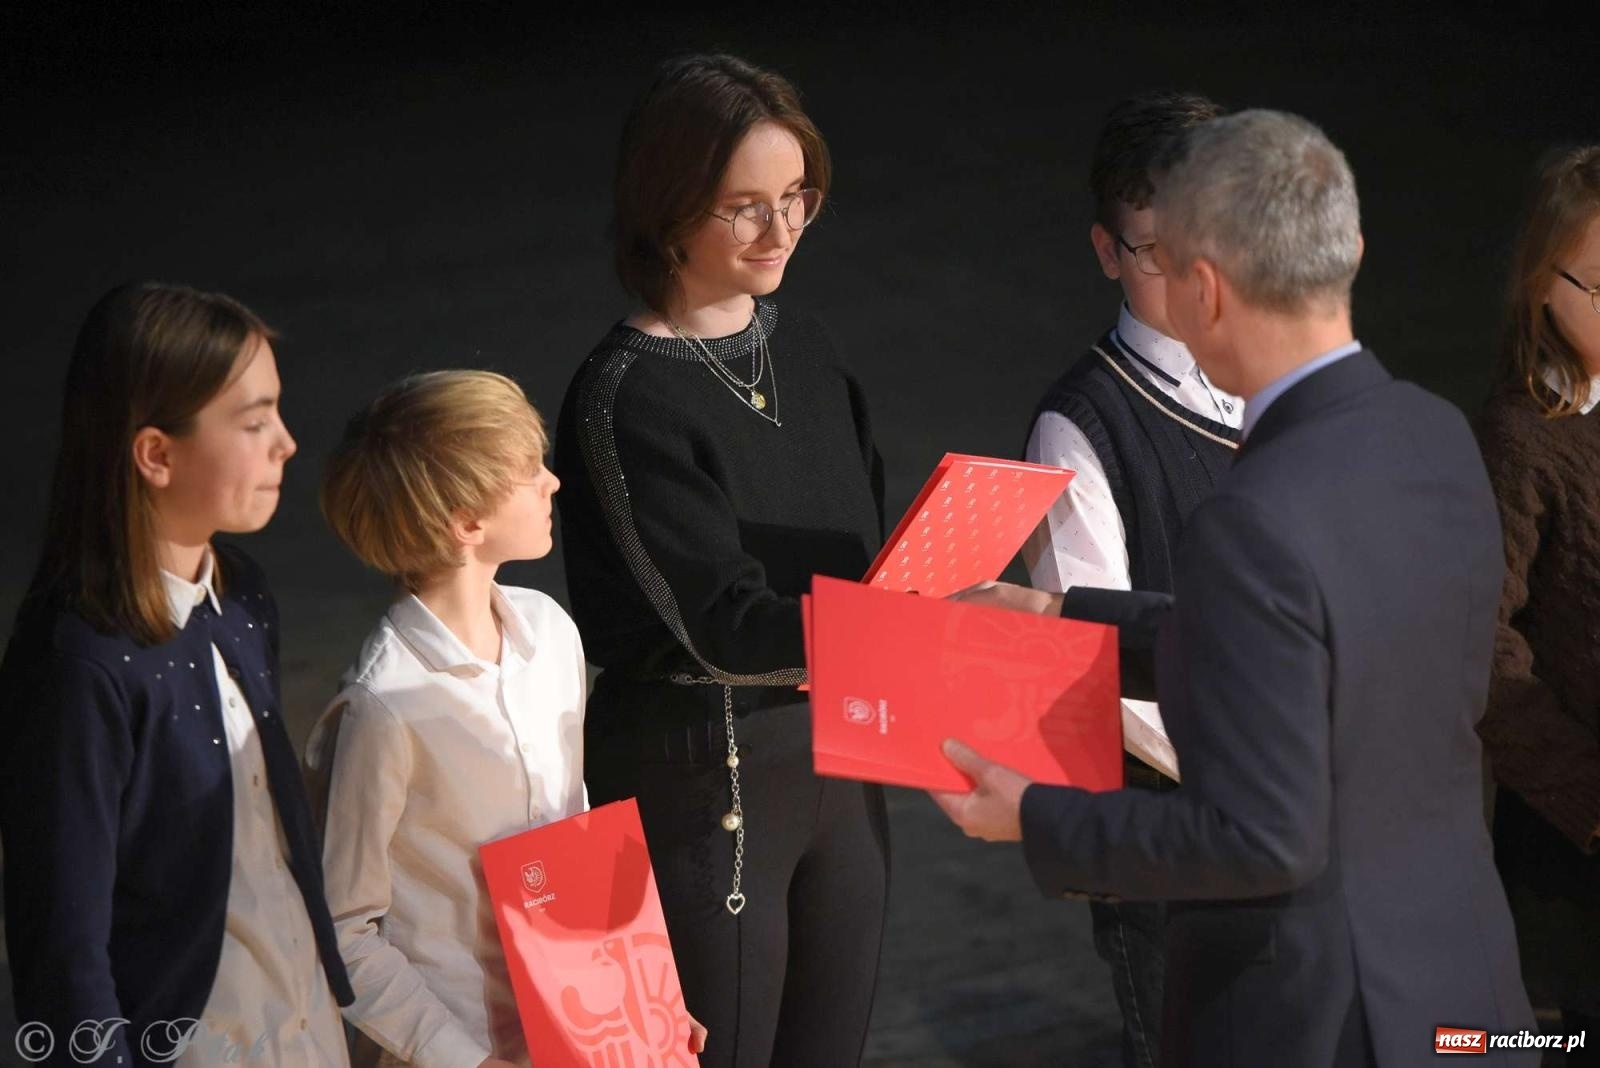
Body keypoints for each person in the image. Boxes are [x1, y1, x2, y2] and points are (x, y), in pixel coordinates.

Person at [934, 111, 1536, 1066]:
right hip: (1466, 988)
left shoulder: (1252, 517)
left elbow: (1263, 838)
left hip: (1319, 1012)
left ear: (1203, 288)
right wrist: (1062, 610)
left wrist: (1037, 817)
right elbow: (1305, 641)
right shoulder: (1437, 434)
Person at [552, 53, 888, 1067]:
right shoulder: (627, 397)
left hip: (840, 757)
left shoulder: (807, 344)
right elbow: (726, 627)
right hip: (704, 777)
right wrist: (903, 623)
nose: (779, 232)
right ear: (666, 208)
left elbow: (867, 543)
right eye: (744, 206)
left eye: (795, 198)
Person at [0, 283, 352, 1066]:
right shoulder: (79, 665)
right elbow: (63, 949)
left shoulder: (241, 592)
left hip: (299, 1024)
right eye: (255, 422)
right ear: (156, 453)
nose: (287, 443)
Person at [1021, 90, 1235, 1068]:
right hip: (1178, 847)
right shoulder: (1081, 427)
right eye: (1155, 248)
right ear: (1107, 250)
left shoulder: (1280, 371)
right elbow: (1094, 671)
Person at [307, 370, 600, 1068]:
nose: (552, 483)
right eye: (529, 470)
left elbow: (573, 833)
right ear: (466, 523)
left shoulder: (550, 631)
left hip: (574, 1034)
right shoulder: (385, 705)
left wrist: (639, 998)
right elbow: (344, 927)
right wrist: (461, 1058)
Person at [1476, 144, 1600, 1063]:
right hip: (1569, 845)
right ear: (1541, 285)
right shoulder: (1524, 437)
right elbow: (1479, 651)